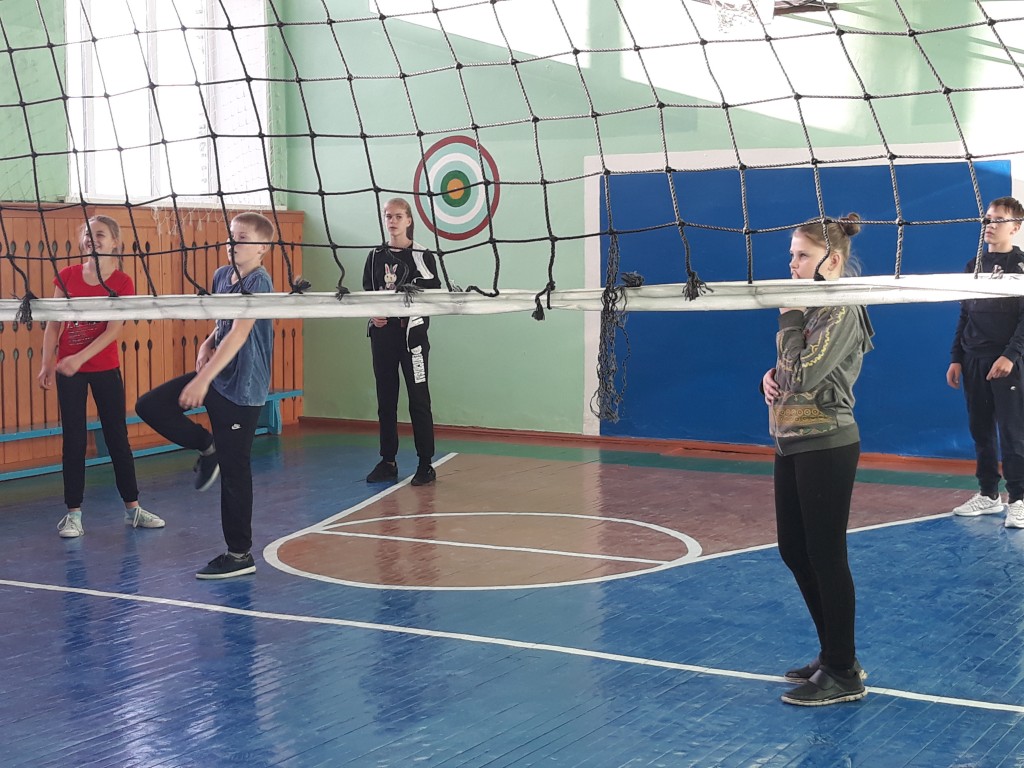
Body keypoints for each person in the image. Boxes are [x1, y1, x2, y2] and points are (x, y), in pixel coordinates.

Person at [761, 213, 874, 706]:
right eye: (792, 254)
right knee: (794, 549)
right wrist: (768, 378)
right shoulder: (812, 305)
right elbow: (791, 372)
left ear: (833, 261)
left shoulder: (840, 309)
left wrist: (788, 317)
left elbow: (803, 376)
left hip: (826, 441)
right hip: (790, 439)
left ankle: (843, 671)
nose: (793, 263)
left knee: (826, 554)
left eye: (802, 255)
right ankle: (834, 655)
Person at [135, 211, 275, 579]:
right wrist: (206, 342)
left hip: (243, 386)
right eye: (231, 236)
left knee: (235, 470)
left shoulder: (260, 282)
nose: (232, 243)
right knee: (150, 406)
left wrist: (202, 380)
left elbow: (240, 333)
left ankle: (240, 554)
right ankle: (206, 445)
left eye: (242, 238)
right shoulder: (221, 275)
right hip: (218, 375)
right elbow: (223, 324)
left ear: (262, 247)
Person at [37, 215, 164, 538]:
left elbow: (113, 331)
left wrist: (78, 358)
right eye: (88, 234)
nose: (93, 239)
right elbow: (53, 324)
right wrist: (47, 363)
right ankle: (73, 514)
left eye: (101, 234)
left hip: (104, 368)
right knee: (74, 440)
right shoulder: (67, 276)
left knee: (117, 436)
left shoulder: (121, 282)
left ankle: (133, 509)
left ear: (115, 242)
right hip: (70, 372)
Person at [947, 196, 1024, 528]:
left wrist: (1010, 355)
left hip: (1007, 362)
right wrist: (956, 358)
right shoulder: (973, 265)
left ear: (1015, 227)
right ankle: (989, 494)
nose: (989, 225)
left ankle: (1019, 499)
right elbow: (965, 314)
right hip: (973, 360)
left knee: (1012, 432)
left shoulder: (1021, 265)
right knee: (981, 430)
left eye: (998, 220)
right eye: (987, 218)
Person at [362, 197, 441, 486]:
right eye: (388, 216)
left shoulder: (422, 255)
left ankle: (425, 464)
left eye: (398, 216)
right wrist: (374, 314)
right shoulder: (375, 255)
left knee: (419, 399)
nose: (392, 221)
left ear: (408, 220)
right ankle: (388, 461)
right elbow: (367, 293)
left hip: (412, 339)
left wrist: (410, 311)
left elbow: (434, 293)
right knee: (386, 399)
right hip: (383, 336)